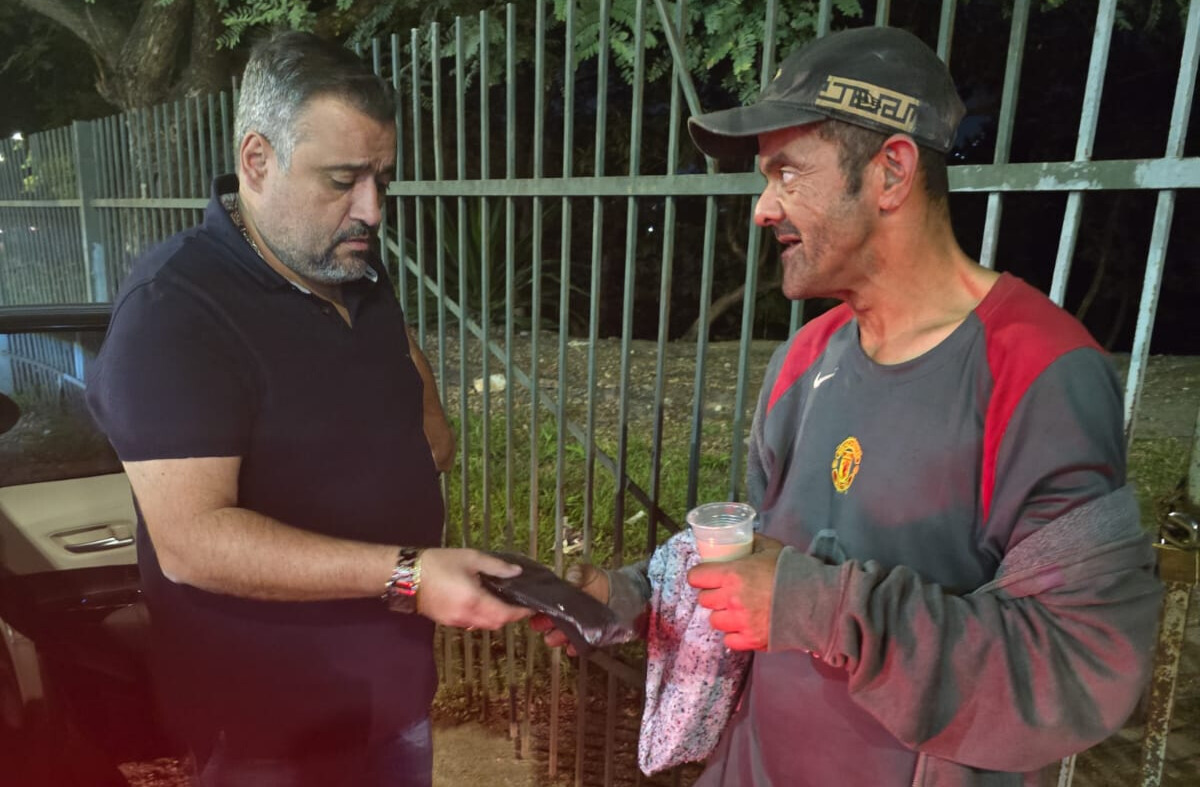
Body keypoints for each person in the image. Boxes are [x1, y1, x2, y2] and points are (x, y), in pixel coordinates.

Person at [534, 26, 1162, 786]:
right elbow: (761, 563)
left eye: (787, 173)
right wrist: (627, 598)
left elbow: (1078, 661)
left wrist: (825, 608)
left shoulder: (1038, 369)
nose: (763, 208)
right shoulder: (806, 358)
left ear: (892, 171)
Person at [87, 31, 528, 787]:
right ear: (257, 160)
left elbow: (432, 442)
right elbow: (192, 540)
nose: (372, 210)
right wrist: (410, 576)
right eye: (343, 180)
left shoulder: (352, 269)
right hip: (269, 731)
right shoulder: (176, 310)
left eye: (382, 179)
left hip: (392, 697)